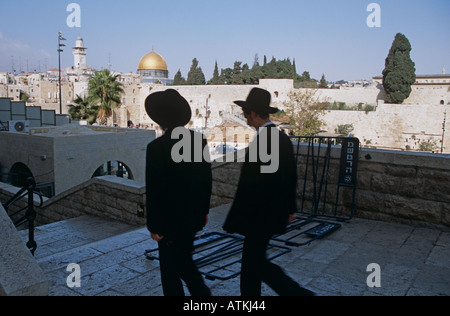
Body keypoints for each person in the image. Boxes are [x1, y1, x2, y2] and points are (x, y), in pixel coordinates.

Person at [223, 87, 315, 296]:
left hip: (260, 215)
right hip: (269, 213)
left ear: (254, 113)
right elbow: (289, 175)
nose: (245, 118)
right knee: (251, 264)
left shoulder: (265, 141)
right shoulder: (280, 138)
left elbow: (255, 184)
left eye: (246, 114)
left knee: (255, 264)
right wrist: (289, 207)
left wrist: (244, 216)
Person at [145, 89, 212, 296]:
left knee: (171, 271)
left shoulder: (157, 147)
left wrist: (154, 225)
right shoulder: (198, 141)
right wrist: (204, 211)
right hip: (192, 218)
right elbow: (206, 180)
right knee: (184, 260)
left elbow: (154, 189)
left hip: (168, 222)